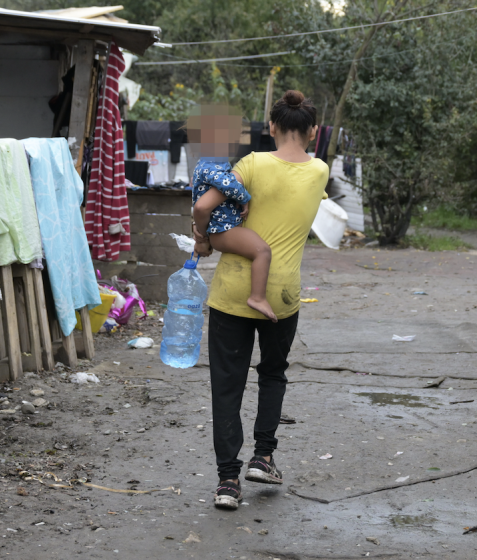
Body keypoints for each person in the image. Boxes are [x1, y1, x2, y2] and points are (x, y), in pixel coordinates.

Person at [192, 90, 329, 510]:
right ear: (314, 132)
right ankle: (264, 457)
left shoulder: (250, 164)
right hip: (283, 293)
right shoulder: (320, 171)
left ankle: (228, 482)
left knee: (227, 384)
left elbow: (208, 204)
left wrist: (202, 238)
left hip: (233, 289)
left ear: (270, 127)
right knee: (272, 373)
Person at [190, 107, 277, 322]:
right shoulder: (210, 166)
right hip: (223, 230)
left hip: (222, 228)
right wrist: (245, 198)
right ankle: (257, 297)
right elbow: (229, 184)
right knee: (262, 252)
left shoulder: (213, 162)